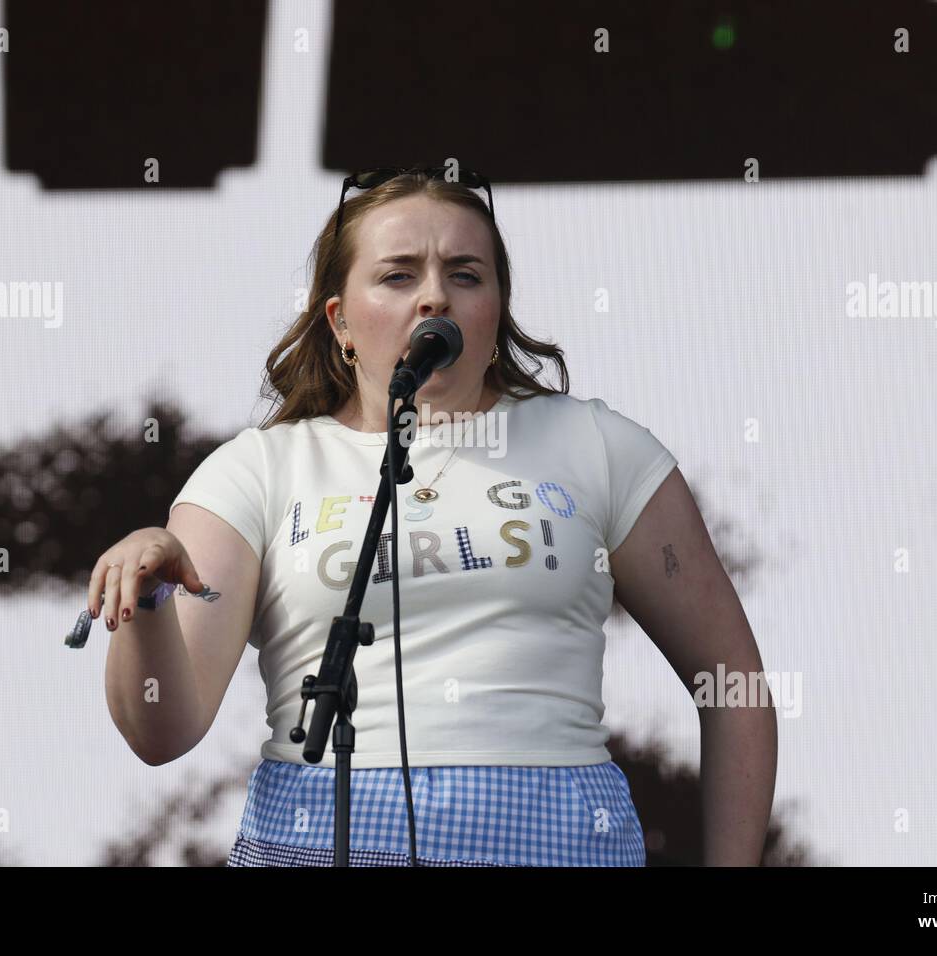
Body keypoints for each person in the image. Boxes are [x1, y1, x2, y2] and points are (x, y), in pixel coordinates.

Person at [94, 167, 775, 866]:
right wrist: (147, 598)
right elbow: (162, 733)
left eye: (465, 275)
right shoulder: (260, 469)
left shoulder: (597, 447)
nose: (434, 297)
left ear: (496, 308)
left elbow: (734, 685)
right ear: (341, 322)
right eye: (397, 276)